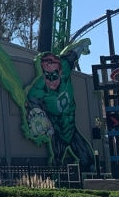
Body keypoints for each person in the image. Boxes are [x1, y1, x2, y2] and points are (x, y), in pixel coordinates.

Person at [25, 39, 95, 170]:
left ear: (60, 72)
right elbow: (32, 101)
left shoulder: (65, 69)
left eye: (54, 75)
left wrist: (83, 46)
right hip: (58, 133)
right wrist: (38, 114)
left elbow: (72, 54)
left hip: (72, 129)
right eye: (47, 75)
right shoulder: (39, 89)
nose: (51, 81)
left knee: (89, 162)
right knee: (56, 164)